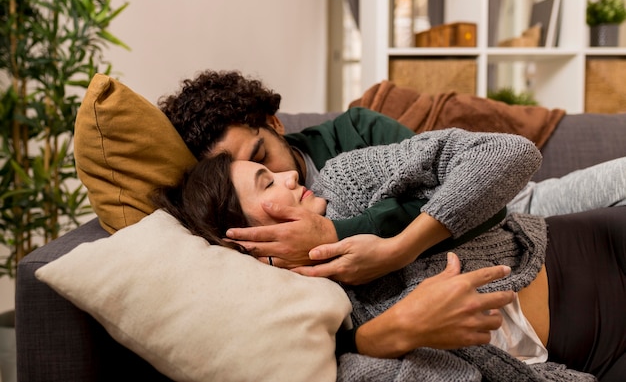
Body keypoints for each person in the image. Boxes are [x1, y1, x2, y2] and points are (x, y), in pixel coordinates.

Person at [152, 135, 626, 381]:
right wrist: (387, 336)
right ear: (241, 241)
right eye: (266, 184)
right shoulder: (309, 320)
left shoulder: (346, 182)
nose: (289, 177)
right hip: (590, 358)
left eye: (271, 169)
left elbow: (508, 152)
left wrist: (397, 249)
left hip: (597, 256)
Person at [158, 69, 626, 279]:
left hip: (518, 203)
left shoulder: (356, 133)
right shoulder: (261, 232)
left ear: (275, 124)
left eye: (263, 155)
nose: (280, 178)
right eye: (251, 174)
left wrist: (335, 231)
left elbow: (473, 198)